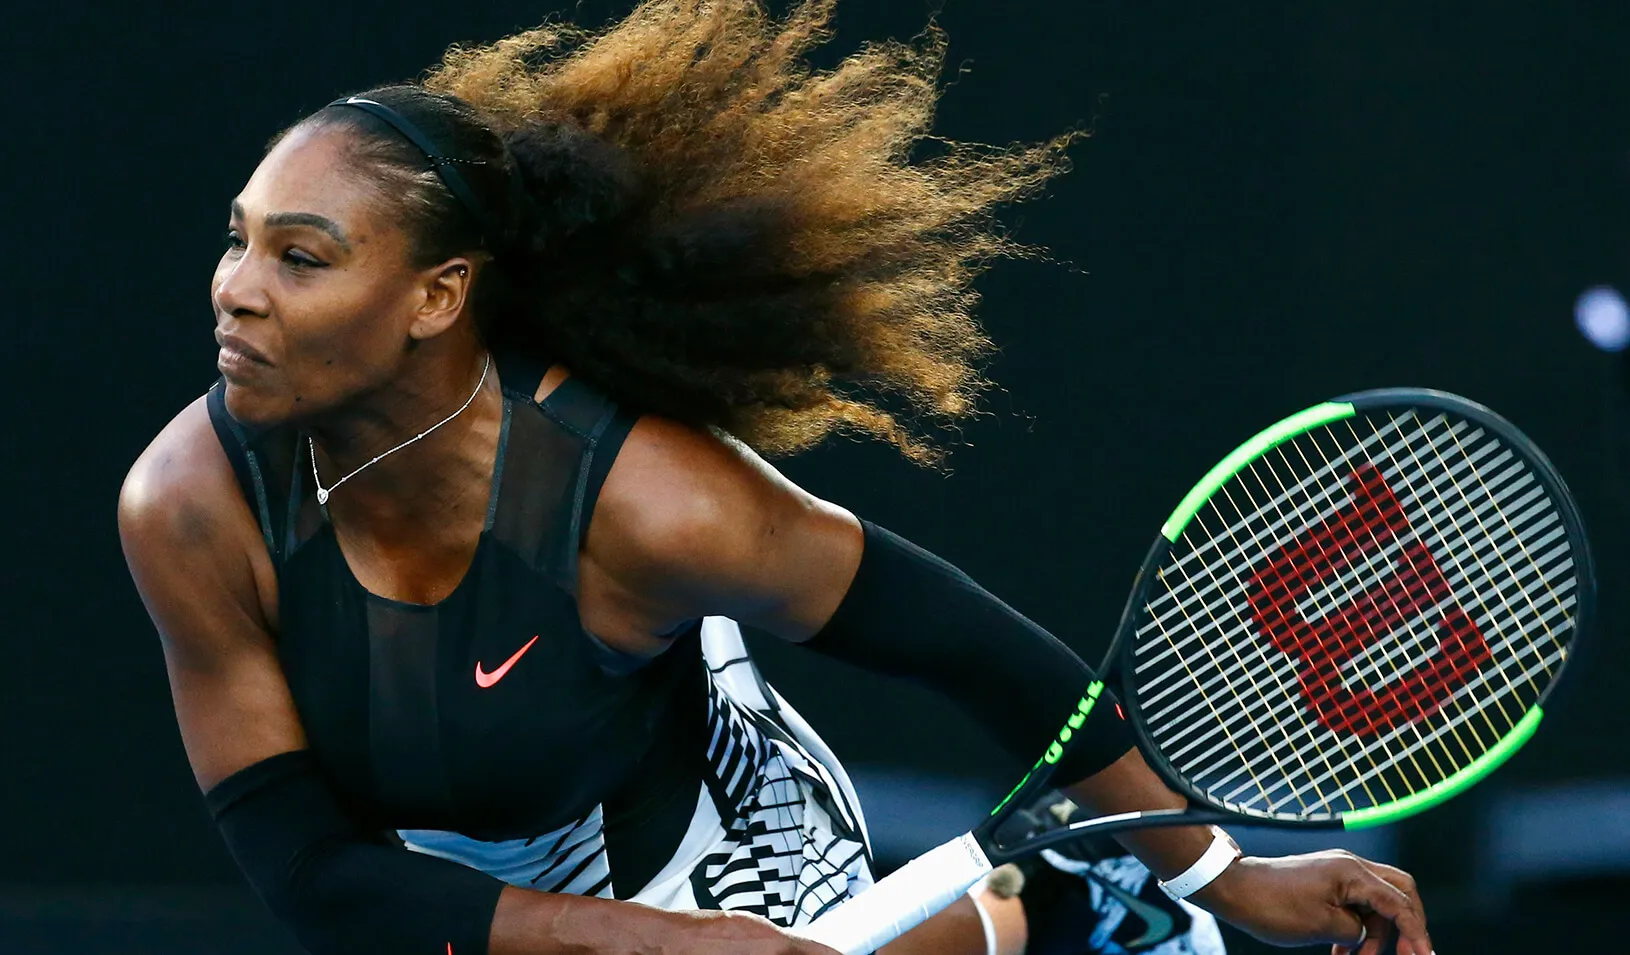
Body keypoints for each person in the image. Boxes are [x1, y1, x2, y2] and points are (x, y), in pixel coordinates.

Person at [117, 2, 1432, 954]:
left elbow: (975, 652)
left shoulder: (652, 503)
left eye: (300, 257)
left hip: (701, 830)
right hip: (452, 888)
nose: (236, 290)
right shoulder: (187, 506)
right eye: (238, 241)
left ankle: (1071, 907)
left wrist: (1220, 875)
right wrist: (661, 949)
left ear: (437, 296)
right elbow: (312, 873)